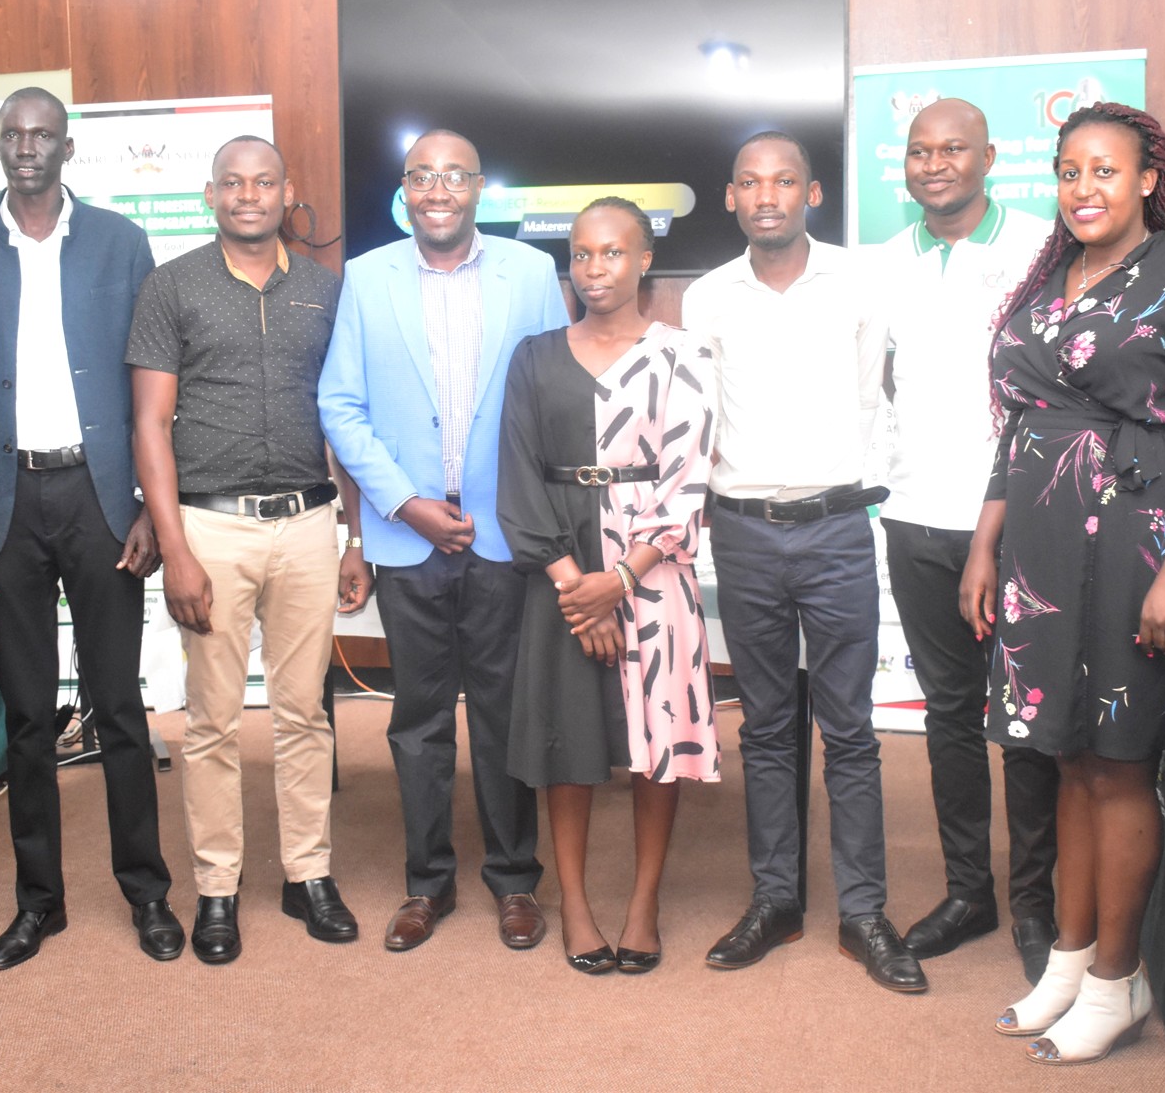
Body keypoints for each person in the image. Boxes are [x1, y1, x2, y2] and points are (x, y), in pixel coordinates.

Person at [963, 102, 1165, 1064]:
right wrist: (984, 545)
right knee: (1068, 758)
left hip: (1142, 540)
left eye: (1103, 170)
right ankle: (1072, 959)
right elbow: (1021, 428)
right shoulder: (1050, 279)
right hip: (1042, 544)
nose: (1083, 188)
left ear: (1145, 180)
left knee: (1119, 764)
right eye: (1068, 171)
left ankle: (1120, 979)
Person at [0, 87, 182, 970]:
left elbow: (155, 387)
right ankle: (40, 903)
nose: (28, 147)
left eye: (44, 135)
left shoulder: (119, 240)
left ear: (68, 148)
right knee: (29, 716)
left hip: (101, 496)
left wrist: (149, 502)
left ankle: (147, 893)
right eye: (14, 135)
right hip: (4, 504)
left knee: (119, 708)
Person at [683, 131, 926, 993]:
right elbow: (698, 417)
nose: (768, 195)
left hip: (833, 530)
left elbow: (868, 393)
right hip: (742, 531)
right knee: (767, 726)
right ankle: (776, 900)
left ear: (812, 192)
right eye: (750, 182)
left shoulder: (858, 283)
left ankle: (863, 912)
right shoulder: (707, 298)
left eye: (784, 180)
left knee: (850, 728)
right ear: (730, 198)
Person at [319, 128, 568, 952]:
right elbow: (340, 406)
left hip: (505, 535)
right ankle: (427, 883)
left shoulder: (531, 274)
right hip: (407, 537)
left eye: (453, 175)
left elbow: (553, 394)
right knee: (419, 720)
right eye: (421, 175)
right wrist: (402, 502)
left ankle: (514, 880)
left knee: (504, 715)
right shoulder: (364, 278)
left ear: (479, 186)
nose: (437, 190)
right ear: (405, 187)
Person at [128, 136, 367, 964]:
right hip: (211, 528)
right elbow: (150, 424)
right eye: (232, 182)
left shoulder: (325, 291)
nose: (248, 194)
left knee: (306, 712)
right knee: (212, 722)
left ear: (286, 192)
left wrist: (356, 536)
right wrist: (175, 548)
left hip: (309, 522)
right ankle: (218, 888)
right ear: (209, 195)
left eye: (264, 181)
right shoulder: (172, 286)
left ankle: (309, 874)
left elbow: (347, 415)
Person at [498, 198, 717, 974]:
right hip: (561, 568)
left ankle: (643, 901)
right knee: (569, 744)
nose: (595, 269)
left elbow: (690, 481)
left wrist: (619, 579)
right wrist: (575, 587)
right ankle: (578, 905)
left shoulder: (682, 354)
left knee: (656, 746)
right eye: (582, 255)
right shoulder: (533, 355)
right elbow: (518, 478)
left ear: (645, 259)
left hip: (653, 568)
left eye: (613, 253)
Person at [875, 98, 1061, 982]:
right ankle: (967, 891)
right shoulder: (883, 264)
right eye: (920, 151)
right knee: (950, 714)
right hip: (914, 517)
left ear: (990, 157)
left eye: (953, 149)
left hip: (1021, 521)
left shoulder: (1039, 247)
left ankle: (1035, 902)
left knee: (1023, 718)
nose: (935, 163)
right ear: (903, 165)